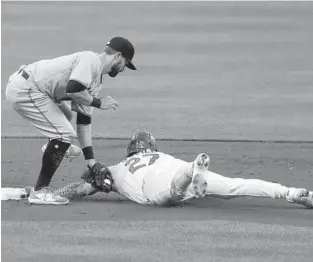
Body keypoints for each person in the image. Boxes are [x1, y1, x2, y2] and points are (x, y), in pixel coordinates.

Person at [5, 36, 137, 205]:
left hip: (37, 90)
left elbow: (84, 121)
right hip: (25, 88)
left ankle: (51, 146)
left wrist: (91, 161)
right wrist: (99, 103)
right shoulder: (91, 60)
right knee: (64, 134)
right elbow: (73, 89)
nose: (123, 68)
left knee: (66, 118)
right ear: (118, 56)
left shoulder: (96, 81)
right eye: (125, 62)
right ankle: (39, 192)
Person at [55, 131, 313, 209]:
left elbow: (81, 189)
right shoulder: (161, 154)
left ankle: (192, 171)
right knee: (235, 186)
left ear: (130, 151)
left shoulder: (116, 167)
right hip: (175, 166)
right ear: (151, 147)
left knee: (171, 196)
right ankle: (291, 193)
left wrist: (57, 192)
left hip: (153, 184)